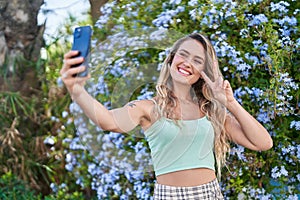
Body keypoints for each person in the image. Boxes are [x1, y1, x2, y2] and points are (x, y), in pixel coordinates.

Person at [60, 33, 273, 199]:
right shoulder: (148, 108)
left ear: (203, 72)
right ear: (171, 60)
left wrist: (231, 104)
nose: (188, 62)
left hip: (209, 194)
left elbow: (263, 143)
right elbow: (108, 121)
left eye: (198, 60)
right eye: (183, 54)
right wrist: (77, 90)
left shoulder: (211, 111)